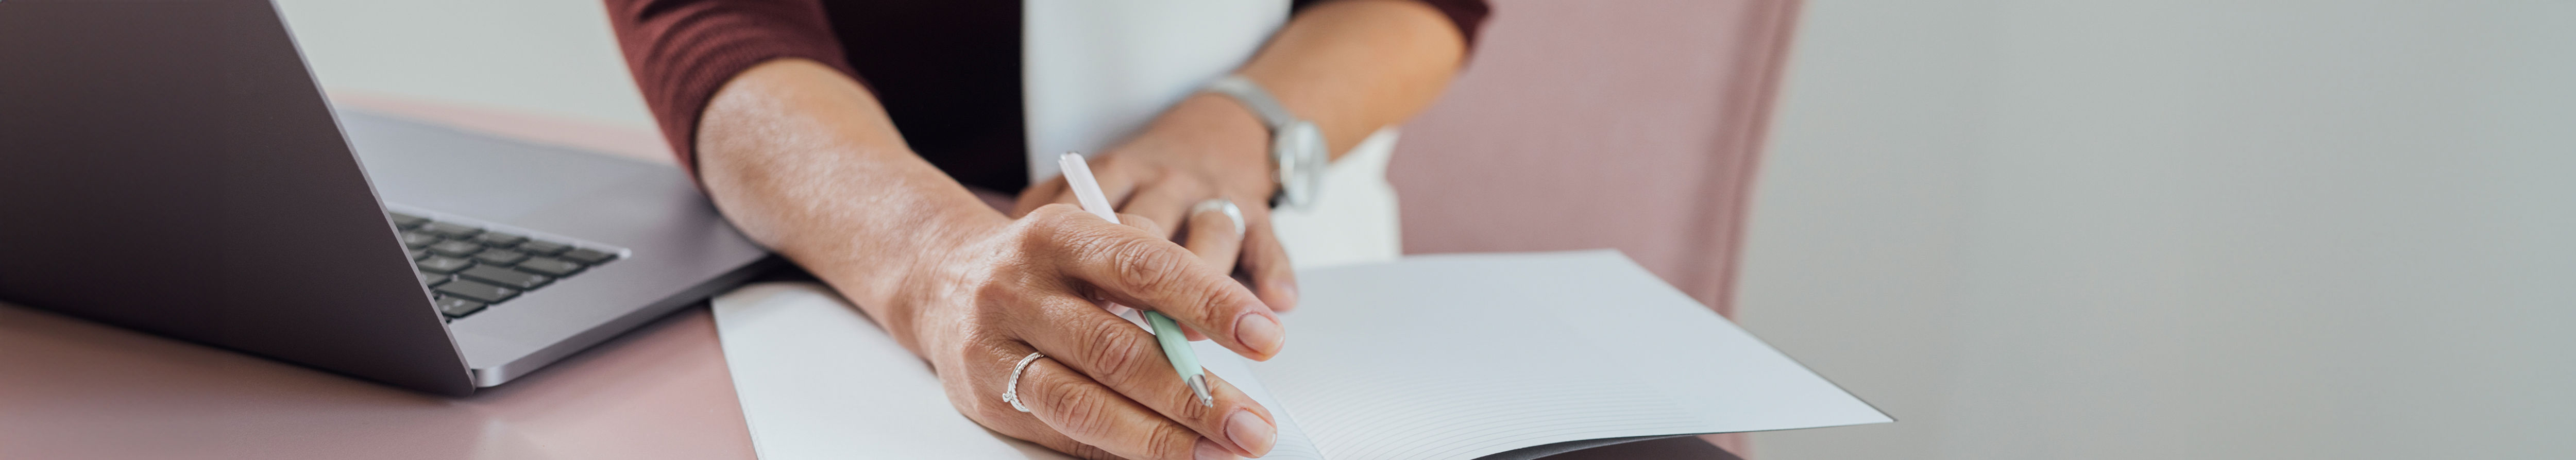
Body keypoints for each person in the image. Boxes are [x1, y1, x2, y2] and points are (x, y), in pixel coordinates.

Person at [604, 1, 1486, 459]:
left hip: (1291, 274)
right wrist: (932, 260)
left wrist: (1230, 130)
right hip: (849, 259)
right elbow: (707, 16)